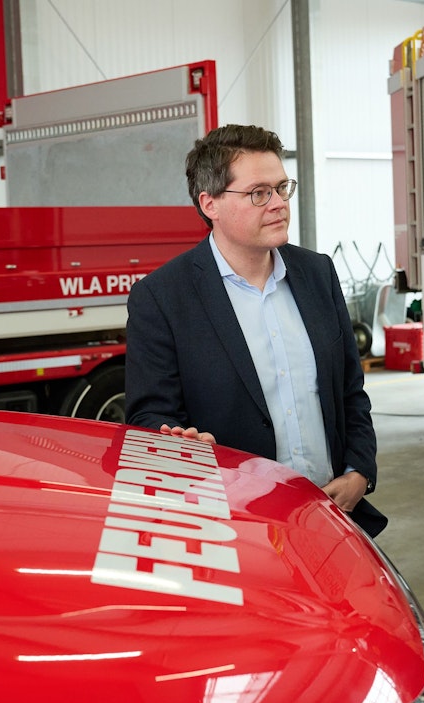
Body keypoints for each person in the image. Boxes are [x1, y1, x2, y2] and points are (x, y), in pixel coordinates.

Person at [125, 124, 384, 536]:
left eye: (282, 188)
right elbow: (148, 416)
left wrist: (359, 471)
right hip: (234, 525)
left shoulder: (317, 273)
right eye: (259, 193)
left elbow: (350, 391)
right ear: (210, 203)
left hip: (333, 513)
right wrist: (176, 440)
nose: (279, 204)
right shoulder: (162, 298)